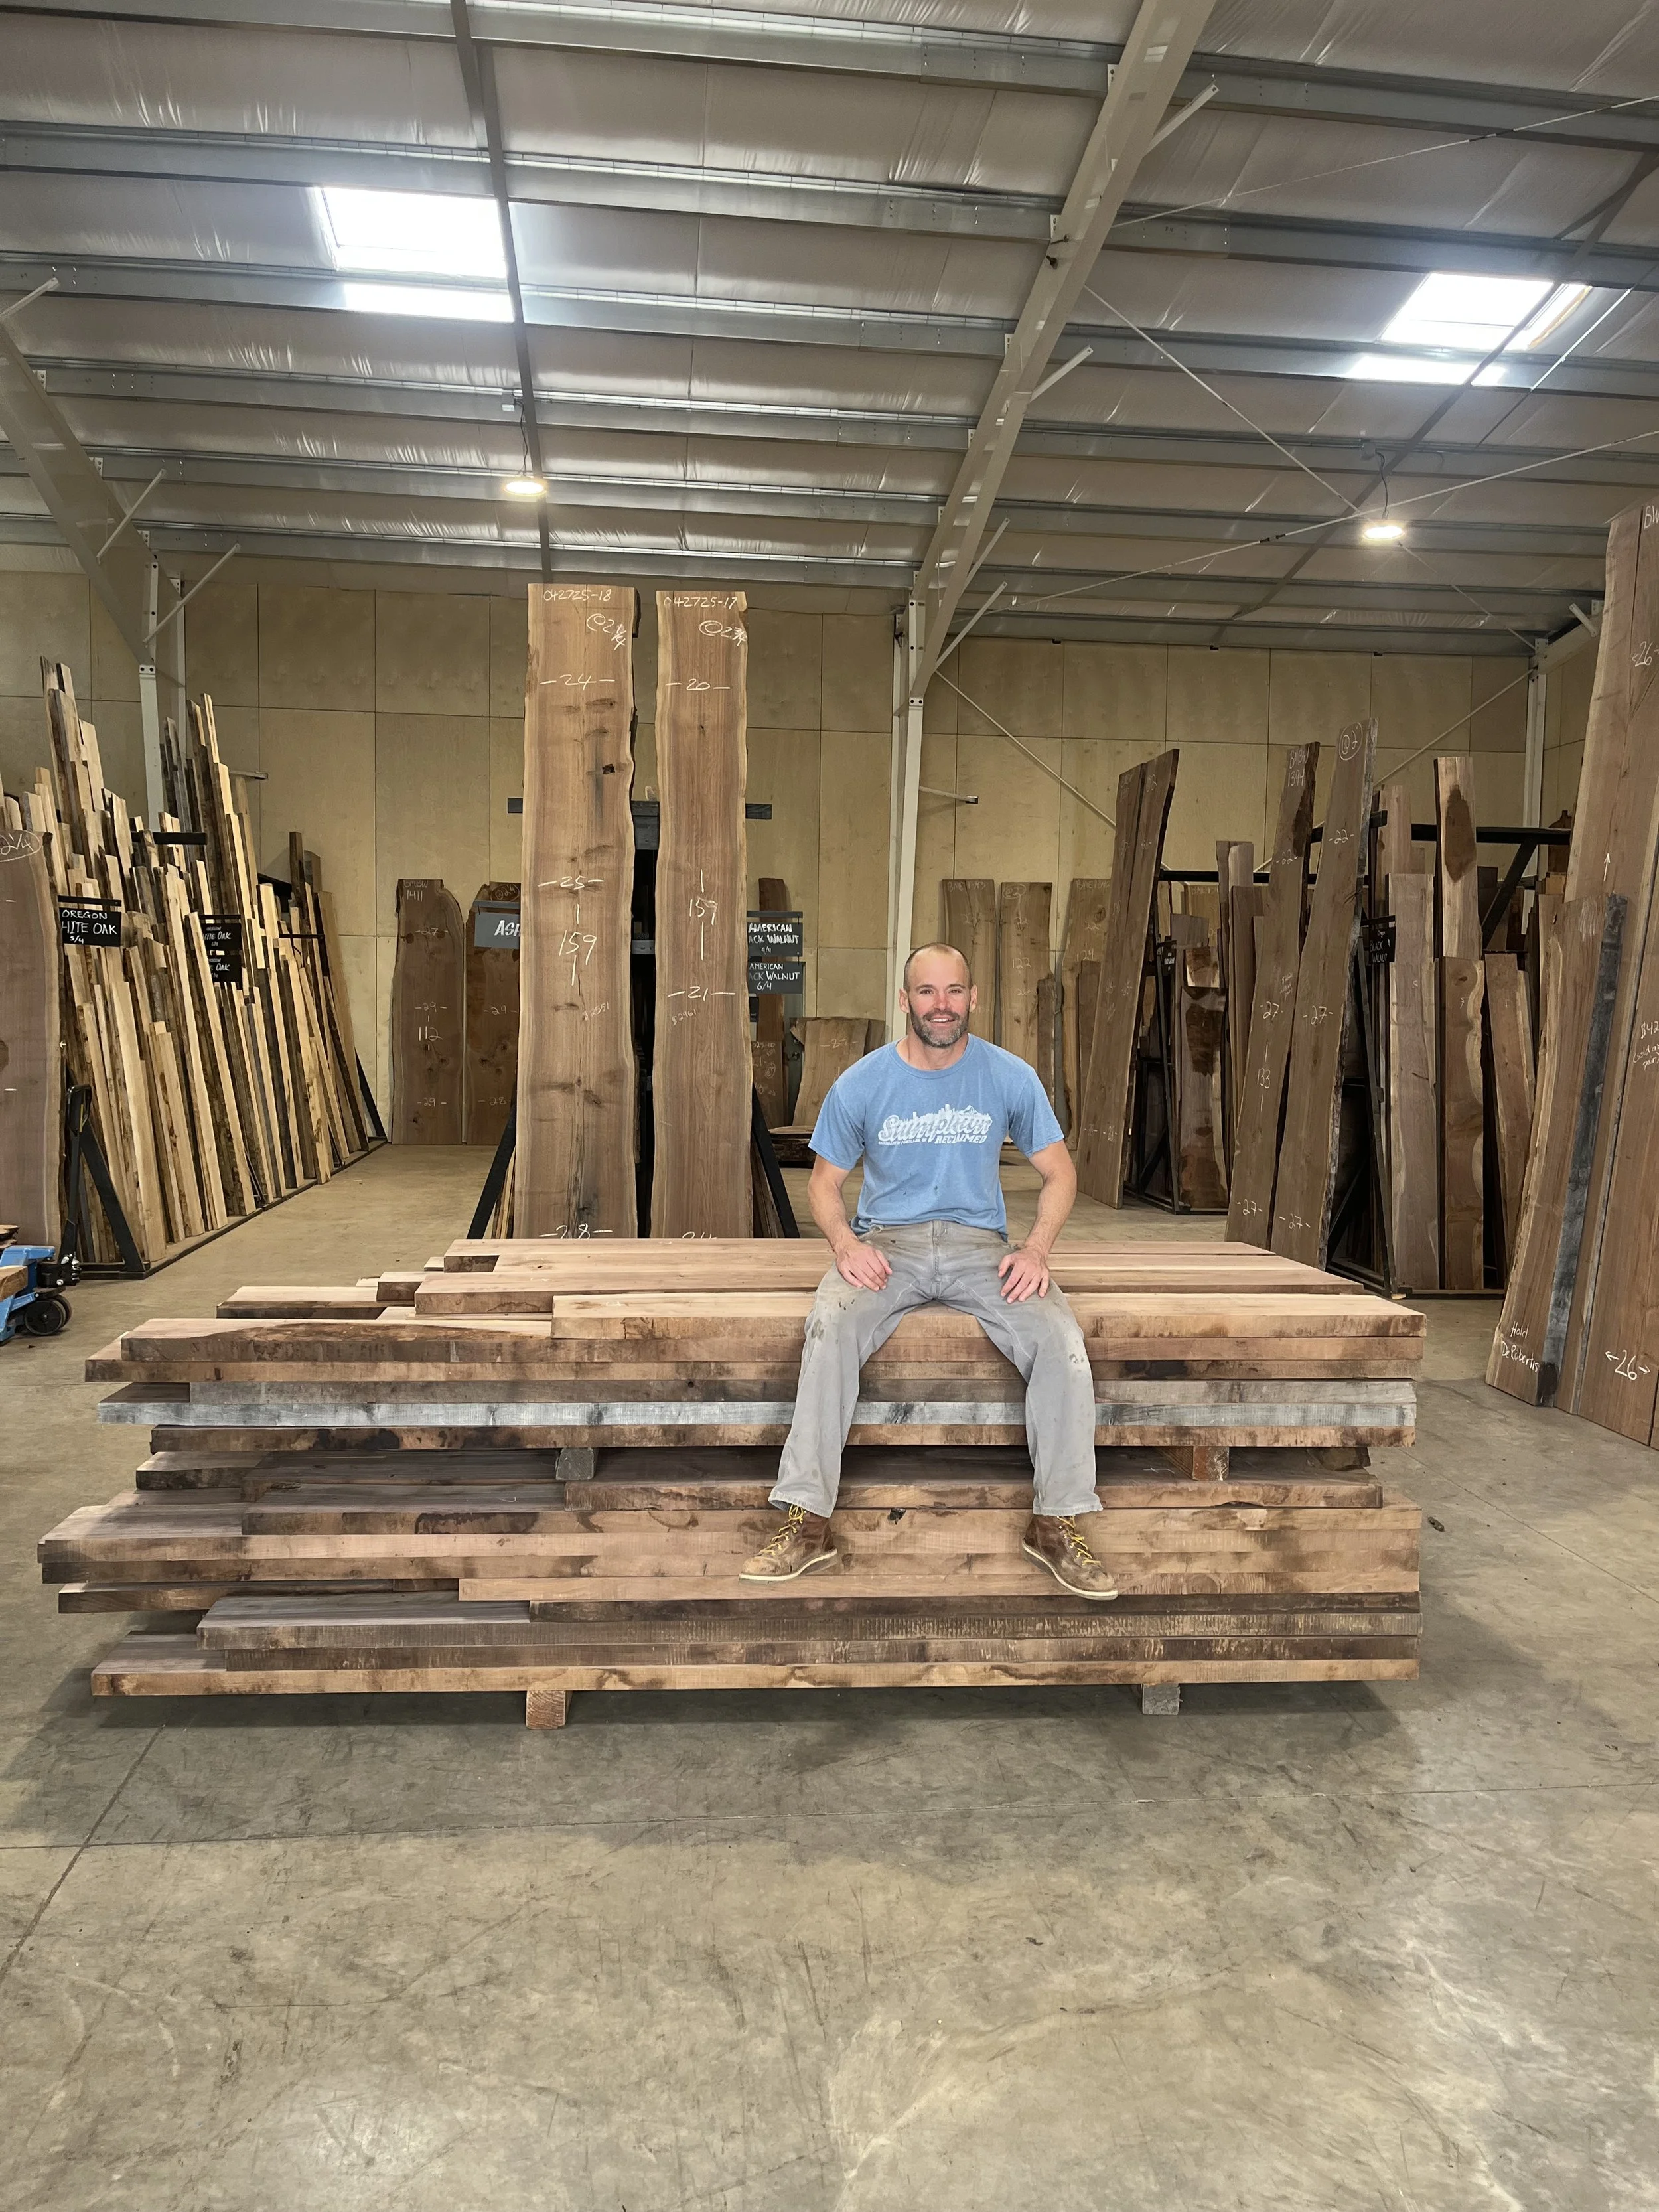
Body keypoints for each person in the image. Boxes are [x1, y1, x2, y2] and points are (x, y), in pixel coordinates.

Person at [739, 942, 1116, 1599]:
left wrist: (1034, 1251)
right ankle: (807, 1522)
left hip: (980, 1248)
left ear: (972, 999)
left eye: (953, 992)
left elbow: (1060, 1173)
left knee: (1060, 1339)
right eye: (926, 992)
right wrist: (843, 1246)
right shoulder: (863, 1081)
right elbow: (824, 1184)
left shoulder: (1007, 1076)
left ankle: (1055, 1521)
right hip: (889, 1244)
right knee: (828, 1327)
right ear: (905, 1001)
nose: (940, 1006)